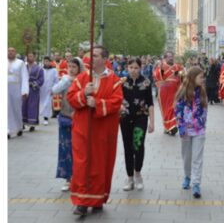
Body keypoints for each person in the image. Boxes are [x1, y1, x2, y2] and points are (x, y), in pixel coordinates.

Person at [67, 46, 123, 215]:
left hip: (102, 131)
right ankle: (82, 202)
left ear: (105, 59)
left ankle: (97, 198)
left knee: (100, 163)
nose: (92, 58)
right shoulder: (82, 78)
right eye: (91, 55)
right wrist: (84, 94)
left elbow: (117, 101)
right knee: (82, 163)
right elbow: (71, 98)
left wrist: (97, 104)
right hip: (83, 129)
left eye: (96, 56)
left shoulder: (114, 80)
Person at [120, 58, 155, 191]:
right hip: (125, 118)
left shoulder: (146, 82)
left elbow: (150, 103)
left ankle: (138, 174)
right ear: (127, 68)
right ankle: (129, 178)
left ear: (140, 68)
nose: (133, 70)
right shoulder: (122, 82)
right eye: (131, 67)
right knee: (128, 148)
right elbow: (117, 99)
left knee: (138, 145)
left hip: (141, 117)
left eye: (136, 67)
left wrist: (152, 122)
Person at [174, 66, 208, 199]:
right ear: (194, 78)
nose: (203, 79)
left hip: (199, 130)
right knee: (187, 157)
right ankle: (187, 176)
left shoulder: (203, 92)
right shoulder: (183, 92)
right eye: (201, 77)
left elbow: (205, 109)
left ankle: (196, 184)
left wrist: (202, 123)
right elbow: (177, 110)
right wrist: (181, 126)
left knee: (197, 158)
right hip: (186, 131)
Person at [52, 57, 84, 191]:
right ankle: (68, 179)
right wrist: (65, 80)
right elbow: (54, 90)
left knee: (78, 150)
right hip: (65, 117)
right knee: (65, 150)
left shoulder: (83, 80)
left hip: (79, 119)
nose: (71, 69)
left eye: (74, 67)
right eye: (69, 66)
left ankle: (79, 178)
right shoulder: (65, 80)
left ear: (79, 68)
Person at [154, 51, 183, 135]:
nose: (170, 58)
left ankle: (172, 126)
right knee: (166, 109)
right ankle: (167, 127)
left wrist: (178, 74)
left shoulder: (178, 66)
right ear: (165, 58)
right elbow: (158, 76)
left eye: (171, 56)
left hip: (175, 91)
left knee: (173, 107)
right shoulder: (161, 66)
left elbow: (183, 75)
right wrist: (165, 71)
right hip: (164, 91)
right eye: (169, 56)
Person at [8, 47, 29, 139]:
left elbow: (25, 77)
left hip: (16, 90)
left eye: (12, 51)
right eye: (9, 51)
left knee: (16, 109)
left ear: (15, 52)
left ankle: (19, 127)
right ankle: (8, 129)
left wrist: (24, 91)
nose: (10, 52)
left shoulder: (20, 63)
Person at [24, 52, 44, 131]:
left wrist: (34, 84)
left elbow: (41, 79)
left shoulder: (39, 68)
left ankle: (32, 124)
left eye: (31, 56)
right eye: (28, 56)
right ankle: (23, 122)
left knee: (32, 106)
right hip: (24, 89)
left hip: (33, 90)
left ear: (34, 58)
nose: (30, 58)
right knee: (23, 105)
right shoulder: (23, 67)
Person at [40, 56, 59, 126]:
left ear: (50, 62)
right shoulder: (41, 69)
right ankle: (43, 116)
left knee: (47, 104)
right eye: (45, 61)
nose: (46, 63)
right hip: (42, 89)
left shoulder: (54, 70)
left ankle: (46, 118)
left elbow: (56, 80)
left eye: (47, 61)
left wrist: (53, 88)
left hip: (49, 89)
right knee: (42, 104)